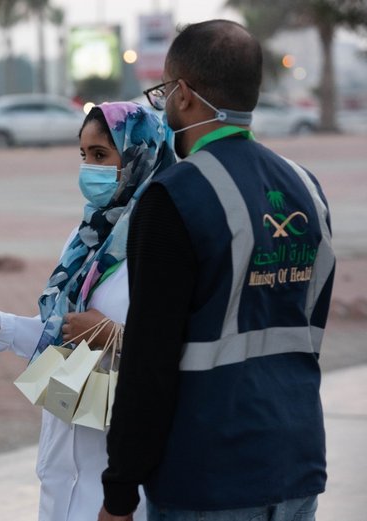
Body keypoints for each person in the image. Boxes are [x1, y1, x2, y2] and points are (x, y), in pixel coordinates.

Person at [99, 20, 335, 521]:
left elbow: (149, 361)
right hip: (296, 462)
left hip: (207, 475)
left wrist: (119, 492)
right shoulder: (306, 189)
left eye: (163, 91)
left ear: (183, 95)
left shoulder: (173, 198)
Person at [0, 101, 175, 521]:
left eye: (102, 155)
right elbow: (65, 334)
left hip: (121, 488)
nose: (89, 169)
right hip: (62, 475)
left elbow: (177, 350)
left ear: (140, 154)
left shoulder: (161, 242)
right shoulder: (87, 238)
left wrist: (115, 336)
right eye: (84, 156)